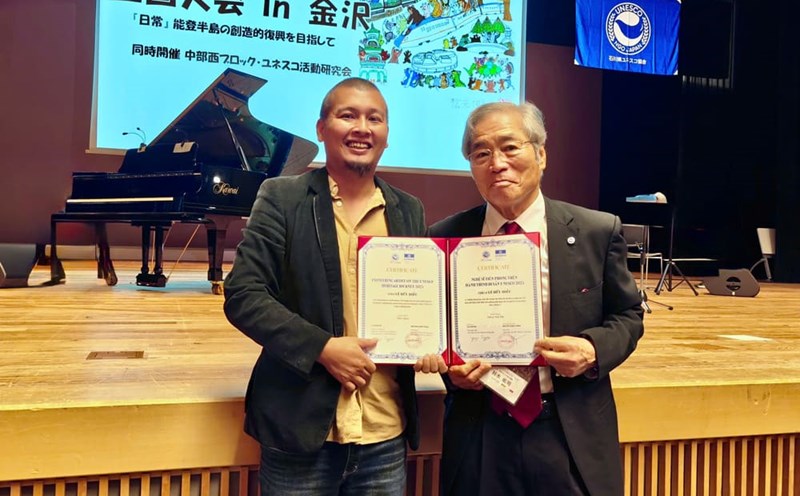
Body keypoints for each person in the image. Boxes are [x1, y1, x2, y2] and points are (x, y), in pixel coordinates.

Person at [224, 78, 440, 495]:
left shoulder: (408, 209)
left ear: (386, 135)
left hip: (384, 434)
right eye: (347, 115)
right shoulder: (282, 197)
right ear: (322, 129)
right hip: (300, 433)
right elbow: (244, 295)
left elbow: (418, 302)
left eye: (374, 118)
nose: (362, 127)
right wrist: (321, 348)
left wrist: (430, 344)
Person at [428, 101, 645, 495]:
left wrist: (592, 350)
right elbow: (436, 331)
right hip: (481, 431)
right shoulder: (444, 237)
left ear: (541, 154)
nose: (497, 163)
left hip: (567, 432)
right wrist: (450, 371)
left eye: (510, 147)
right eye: (481, 153)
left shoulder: (596, 230)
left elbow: (629, 315)